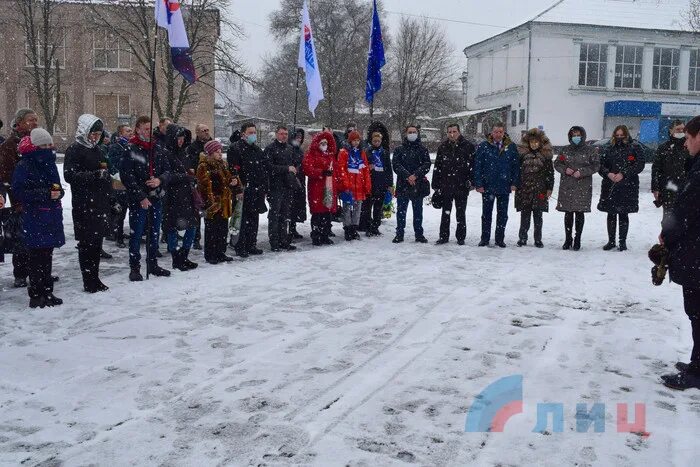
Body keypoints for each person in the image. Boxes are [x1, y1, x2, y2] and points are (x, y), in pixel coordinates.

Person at [659, 115, 700, 390]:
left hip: (695, 251)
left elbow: (687, 212)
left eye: (688, 138)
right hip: (694, 250)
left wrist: (666, 234)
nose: (684, 143)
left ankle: (697, 372)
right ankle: (697, 363)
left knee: (698, 313)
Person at [11, 129, 65, 308]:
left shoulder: (48, 162)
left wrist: (59, 193)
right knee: (36, 257)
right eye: (45, 145)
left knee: (47, 255)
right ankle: (36, 294)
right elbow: (18, 191)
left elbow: (56, 185)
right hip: (35, 216)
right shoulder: (25, 165)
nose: (49, 148)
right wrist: (44, 194)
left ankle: (47, 291)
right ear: (36, 146)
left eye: (50, 144)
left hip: (51, 214)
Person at [63, 114, 112, 293]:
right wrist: (93, 176)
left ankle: (95, 277)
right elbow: (69, 175)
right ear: (84, 131)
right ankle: (88, 280)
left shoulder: (98, 150)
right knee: (87, 244)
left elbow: (105, 174)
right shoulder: (74, 150)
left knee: (97, 244)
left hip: (99, 203)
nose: (95, 137)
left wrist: (111, 198)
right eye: (93, 134)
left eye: (98, 134)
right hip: (84, 204)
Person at [121, 115, 171, 281]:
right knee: (136, 235)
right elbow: (127, 176)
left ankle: (153, 263)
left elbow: (167, 171)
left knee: (154, 232)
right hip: (139, 200)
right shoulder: (131, 149)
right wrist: (141, 196)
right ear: (138, 129)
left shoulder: (158, 148)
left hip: (156, 197)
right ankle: (134, 267)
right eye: (145, 129)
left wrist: (159, 180)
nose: (148, 132)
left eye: (150, 129)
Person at [0, 109, 38, 287]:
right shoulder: (10, 144)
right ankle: (21, 274)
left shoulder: (38, 141)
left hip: (38, 199)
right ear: (19, 122)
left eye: (36, 120)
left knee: (38, 237)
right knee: (22, 240)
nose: (35, 123)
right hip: (21, 200)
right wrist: (17, 199)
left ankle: (38, 271)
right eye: (31, 120)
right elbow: (7, 175)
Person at [597, 125, 645, 251]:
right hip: (610, 185)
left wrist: (624, 173)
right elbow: (600, 165)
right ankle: (611, 241)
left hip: (628, 186)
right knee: (611, 213)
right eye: (617, 135)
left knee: (623, 214)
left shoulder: (635, 147)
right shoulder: (608, 148)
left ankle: (622, 241)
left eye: (621, 135)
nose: (619, 137)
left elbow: (639, 165)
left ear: (626, 135)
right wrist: (608, 173)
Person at [473, 123, 520, 247]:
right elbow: (477, 166)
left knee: (502, 215)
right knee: (486, 214)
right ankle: (485, 238)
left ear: (504, 133)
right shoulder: (484, 146)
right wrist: (478, 183)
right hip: (488, 186)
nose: (498, 134)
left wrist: (514, 182)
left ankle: (500, 239)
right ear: (491, 133)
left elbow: (516, 167)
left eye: (500, 132)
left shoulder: (511, 147)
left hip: (504, 186)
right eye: (495, 132)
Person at [554, 126, 600, 251]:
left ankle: (577, 238)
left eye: (578, 135)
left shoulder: (590, 150)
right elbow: (557, 163)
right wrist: (565, 170)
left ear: (583, 135)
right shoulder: (565, 150)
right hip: (567, 185)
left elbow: (596, 165)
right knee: (568, 213)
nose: (576, 137)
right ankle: (568, 238)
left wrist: (582, 171)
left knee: (579, 212)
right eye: (573, 135)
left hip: (582, 186)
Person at [227, 122, 268, 258]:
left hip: (256, 189)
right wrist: (238, 188)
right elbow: (233, 170)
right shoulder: (235, 148)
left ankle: (251, 244)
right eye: (250, 132)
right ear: (243, 133)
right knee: (241, 218)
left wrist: (263, 187)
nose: (253, 135)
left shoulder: (257, 150)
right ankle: (240, 245)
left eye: (254, 132)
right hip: (243, 189)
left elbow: (262, 169)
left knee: (253, 218)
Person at [163, 125, 200, 271]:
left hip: (186, 195)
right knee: (172, 228)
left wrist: (189, 176)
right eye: (178, 138)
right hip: (172, 197)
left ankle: (184, 255)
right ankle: (176, 258)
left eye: (182, 138)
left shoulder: (183, 153)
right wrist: (186, 177)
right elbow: (166, 176)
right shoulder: (165, 154)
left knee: (192, 225)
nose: (180, 140)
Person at [197, 139, 240, 264]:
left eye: (220, 150)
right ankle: (211, 254)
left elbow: (228, 177)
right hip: (213, 203)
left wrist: (233, 181)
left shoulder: (223, 164)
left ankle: (221, 252)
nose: (219, 153)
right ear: (210, 153)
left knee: (222, 229)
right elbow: (205, 186)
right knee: (212, 230)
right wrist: (211, 202)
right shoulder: (204, 166)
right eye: (216, 151)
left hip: (224, 202)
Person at [432, 123, 475, 245]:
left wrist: (471, 181)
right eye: (449, 132)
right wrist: (436, 185)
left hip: (461, 185)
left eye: (454, 131)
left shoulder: (468, 146)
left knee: (461, 213)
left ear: (459, 132)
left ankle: (461, 237)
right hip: (446, 185)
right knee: (445, 212)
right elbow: (438, 167)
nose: (452, 134)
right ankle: (443, 236)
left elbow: (473, 166)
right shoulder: (443, 147)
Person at [515, 128, 554, 248]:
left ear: (540, 143)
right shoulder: (522, 156)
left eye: (536, 142)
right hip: (525, 189)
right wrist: (517, 185)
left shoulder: (545, 158)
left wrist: (549, 188)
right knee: (524, 216)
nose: (534, 144)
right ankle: (522, 238)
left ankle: (538, 239)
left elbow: (550, 174)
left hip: (540, 190)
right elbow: (517, 172)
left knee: (538, 217)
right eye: (532, 142)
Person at [392, 125, 431, 244]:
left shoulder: (423, 149)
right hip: (403, 184)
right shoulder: (399, 150)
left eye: (414, 132)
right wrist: (407, 176)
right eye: (410, 132)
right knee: (401, 211)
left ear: (418, 133)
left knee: (418, 211)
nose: (412, 134)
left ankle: (419, 234)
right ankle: (399, 234)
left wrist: (416, 175)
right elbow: (396, 165)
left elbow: (427, 164)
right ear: (406, 134)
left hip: (417, 185)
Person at [264, 126, 297, 252]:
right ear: (276, 134)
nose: (284, 136)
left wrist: (294, 168)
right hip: (275, 186)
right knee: (275, 215)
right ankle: (274, 241)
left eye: (286, 134)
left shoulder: (289, 148)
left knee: (285, 215)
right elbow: (269, 167)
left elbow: (293, 162)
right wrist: (286, 169)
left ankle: (284, 240)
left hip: (287, 185)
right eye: (281, 133)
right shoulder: (270, 148)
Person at [303, 131, 339, 246]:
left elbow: (336, 171)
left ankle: (325, 234)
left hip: (329, 187)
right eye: (322, 143)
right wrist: (321, 172)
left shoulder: (330, 155)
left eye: (326, 143)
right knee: (318, 213)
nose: (324, 145)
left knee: (327, 213)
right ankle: (316, 235)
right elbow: (307, 169)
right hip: (316, 188)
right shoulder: (311, 155)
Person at [652, 120, 691, 222]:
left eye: (683, 129)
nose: (681, 131)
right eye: (678, 129)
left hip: (688, 189)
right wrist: (655, 188)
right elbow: (656, 169)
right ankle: (666, 237)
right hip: (668, 189)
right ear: (671, 130)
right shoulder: (663, 148)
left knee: (686, 219)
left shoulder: (690, 146)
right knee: (668, 219)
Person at [337, 130, 372, 241]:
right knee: (347, 207)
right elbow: (341, 169)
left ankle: (354, 227)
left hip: (359, 185)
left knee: (358, 207)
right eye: (354, 140)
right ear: (350, 141)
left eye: (358, 140)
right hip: (349, 185)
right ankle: (347, 228)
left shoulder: (361, 153)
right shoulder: (344, 153)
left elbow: (365, 169)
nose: (356, 142)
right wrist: (346, 184)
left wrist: (367, 183)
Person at [186, 124, 211, 250]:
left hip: (211, 183)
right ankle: (196, 239)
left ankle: (211, 237)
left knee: (210, 211)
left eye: (207, 130)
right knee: (197, 212)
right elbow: (191, 165)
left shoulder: (212, 145)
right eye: (203, 131)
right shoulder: (192, 147)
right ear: (197, 132)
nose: (206, 132)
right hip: (198, 182)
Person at [107, 124, 133, 248]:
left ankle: (128, 234)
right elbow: (113, 165)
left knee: (131, 211)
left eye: (131, 131)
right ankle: (119, 236)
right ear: (120, 133)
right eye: (127, 131)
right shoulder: (115, 147)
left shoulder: (131, 146)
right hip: (120, 184)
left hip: (131, 183)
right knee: (121, 212)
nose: (130, 132)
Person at [364, 124, 393, 237]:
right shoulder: (367, 152)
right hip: (370, 182)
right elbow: (362, 166)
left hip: (381, 182)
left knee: (378, 207)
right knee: (367, 207)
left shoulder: (384, 153)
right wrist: (368, 167)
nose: (376, 143)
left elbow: (388, 169)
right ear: (371, 141)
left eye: (378, 141)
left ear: (381, 141)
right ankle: (368, 226)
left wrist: (390, 184)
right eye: (374, 141)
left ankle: (376, 226)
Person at [289, 128, 307, 239]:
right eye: (297, 137)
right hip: (291, 180)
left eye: (300, 137)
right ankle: (289, 228)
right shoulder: (289, 149)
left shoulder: (300, 150)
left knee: (296, 206)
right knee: (290, 206)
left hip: (300, 179)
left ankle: (293, 227)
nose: (299, 139)